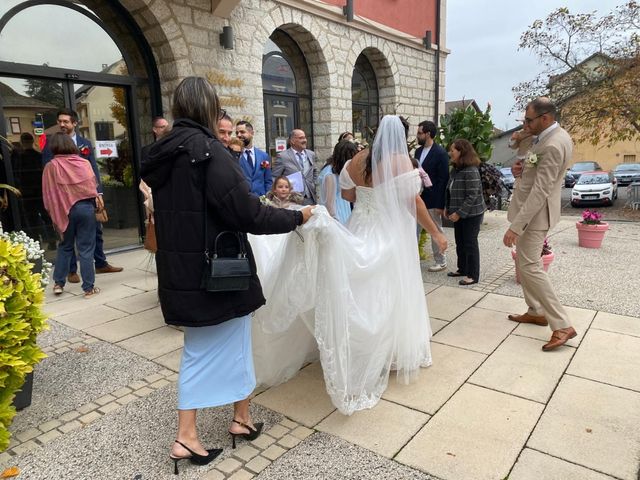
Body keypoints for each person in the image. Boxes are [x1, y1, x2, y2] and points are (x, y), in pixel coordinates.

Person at [140, 76, 313, 474]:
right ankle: (186, 437)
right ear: (208, 108)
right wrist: (296, 216)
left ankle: (242, 417)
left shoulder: (162, 153)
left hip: (183, 270)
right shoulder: (208, 153)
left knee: (232, 346)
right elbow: (248, 213)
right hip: (216, 273)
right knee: (204, 352)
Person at [251, 115, 448, 415]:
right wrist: (436, 233)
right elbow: (415, 203)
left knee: (360, 288)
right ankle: (389, 353)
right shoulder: (401, 162)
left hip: (359, 225)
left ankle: (359, 345)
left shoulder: (357, 159)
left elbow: (347, 195)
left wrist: (368, 194)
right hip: (390, 233)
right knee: (392, 289)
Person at [503, 97, 576, 351]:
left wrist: (516, 226)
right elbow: (528, 161)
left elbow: (541, 190)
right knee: (525, 263)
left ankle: (562, 324)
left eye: (529, 119)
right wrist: (519, 170)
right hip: (532, 212)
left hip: (536, 215)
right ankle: (535, 310)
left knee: (531, 267)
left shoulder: (554, 144)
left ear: (545, 118)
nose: (525, 123)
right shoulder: (545, 136)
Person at [42, 108, 123, 281]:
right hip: (65, 201)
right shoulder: (51, 145)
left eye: (65, 121)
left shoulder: (84, 143)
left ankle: (101, 264)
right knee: (68, 237)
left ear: (74, 123)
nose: (62, 124)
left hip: (87, 196)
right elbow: (49, 174)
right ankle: (72, 271)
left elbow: (93, 168)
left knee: (96, 232)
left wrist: (98, 192)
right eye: (60, 121)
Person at [41, 133, 100, 298]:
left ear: (54, 147)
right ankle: (88, 288)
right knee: (86, 249)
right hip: (86, 208)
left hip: (64, 211)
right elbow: (92, 187)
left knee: (65, 246)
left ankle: (58, 284)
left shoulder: (50, 166)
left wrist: (54, 212)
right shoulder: (84, 163)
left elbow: (48, 195)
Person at [445, 139, 486, 286]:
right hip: (459, 213)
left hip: (472, 214)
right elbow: (449, 190)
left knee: (470, 243)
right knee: (460, 242)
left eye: (453, 150)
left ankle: (473, 275)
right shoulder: (456, 169)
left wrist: (459, 213)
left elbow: (472, 195)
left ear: (461, 152)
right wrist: (447, 208)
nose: (450, 153)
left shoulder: (471, 170)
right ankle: (462, 269)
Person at [415, 120, 450, 272]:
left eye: (419, 132)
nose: (417, 135)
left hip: (433, 199)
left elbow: (443, 179)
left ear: (428, 134)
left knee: (435, 229)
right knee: (413, 230)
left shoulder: (441, 153)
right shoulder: (417, 152)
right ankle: (412, 259)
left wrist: (440, 204)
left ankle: (441, 260)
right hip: (418, 197)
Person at [272, 129, 317, 205]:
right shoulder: (283, 156)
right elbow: (275, 177)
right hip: (291, 200)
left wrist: (314, 184)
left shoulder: (311, 154)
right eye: (301, 138)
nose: (304, 140)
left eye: (304, 138)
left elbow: (314, 171)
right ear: (292, 141)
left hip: (310, 198)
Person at [318, 140, 355, 225]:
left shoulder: (337, 170)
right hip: (339, 213)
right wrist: (335, 223)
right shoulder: (330, 175)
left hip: (344, 208)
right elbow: (329, 204)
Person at [236, 121, 273, 196]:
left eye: (242, 132)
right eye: (237, 133)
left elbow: (268, 180)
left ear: (252, 133)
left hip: (261, 200)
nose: (239, 135)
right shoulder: (234, 156)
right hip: (243, 199)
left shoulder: (264, 156)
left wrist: (267, 197)